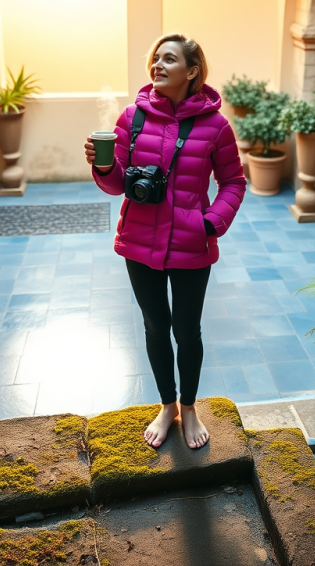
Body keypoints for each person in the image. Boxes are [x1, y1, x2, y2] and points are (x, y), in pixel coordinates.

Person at [84, 33, 246, 449]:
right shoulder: (132, 118)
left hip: (192, 245)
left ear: (191, 71)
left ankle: (190, 409)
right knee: (156, 327)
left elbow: (233, 182)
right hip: (139, 241)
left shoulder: (216, 126)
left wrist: (209, 224)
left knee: (186, 330)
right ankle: (167, 405)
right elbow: (118, 184)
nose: (157, 65)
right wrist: (102, 167)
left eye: (168, 59)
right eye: (155, 58)